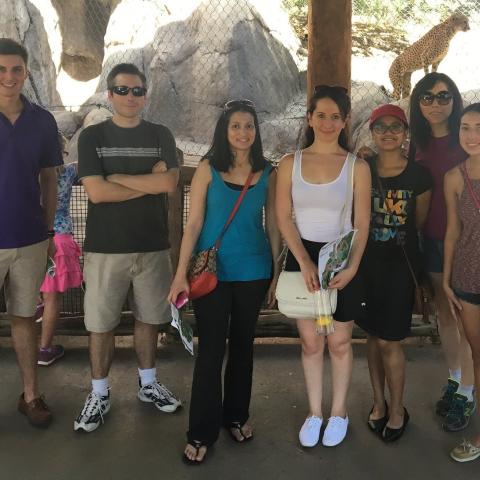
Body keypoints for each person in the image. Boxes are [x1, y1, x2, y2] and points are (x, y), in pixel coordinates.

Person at [168, 99, 281, 464]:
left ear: (256, 131)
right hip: (210, 273)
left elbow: (274, 225)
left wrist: (277, 273)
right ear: (224, 130)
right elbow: (195, 223)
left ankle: (236, 415)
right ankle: (201, 431)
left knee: (244, 346)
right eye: (236, 126)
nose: (243, 132)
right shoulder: (207, 169)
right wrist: (179, 274)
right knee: (211, 350)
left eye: (249, 126)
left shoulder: (267, 172)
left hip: (254, 270)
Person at [75, 63, 181, 433]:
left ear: (146, 95)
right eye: (122, 90)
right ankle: (100, 392)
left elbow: (169, 184)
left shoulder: (161, 134)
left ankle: (148, 383)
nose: (130, 97)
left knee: (149, 319)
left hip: (152, 246)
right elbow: (97, 193)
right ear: (109, 94)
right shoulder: (91, 137)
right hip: (105, 248)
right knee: (100, 323)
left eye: (137, 90)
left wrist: (118, 178)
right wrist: (145, 182)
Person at [276, 85, 371, 448]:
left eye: (335, 117)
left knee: (341, 342)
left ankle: (339, 411)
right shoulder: (290, 163)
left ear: (345, 121)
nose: (328, 122)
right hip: (302, 256)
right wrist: (302, 261)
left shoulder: (357, 167)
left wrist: (352, 267)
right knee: (311, 343)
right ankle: (314, 412)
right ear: (309, 118)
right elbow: (284, 217)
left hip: (341, 258)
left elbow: (362, 224)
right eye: (321, 115)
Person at [356, 104, 432, 442]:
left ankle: (398, 408)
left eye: (396, 127)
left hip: (400, 268)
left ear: (406, 134)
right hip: (366, 265)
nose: (388, 132)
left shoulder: (419, 176)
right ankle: (378, 402)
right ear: (372, 132)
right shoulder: (362, 168)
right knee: (372, 337)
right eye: (381, 126)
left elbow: (418, 222)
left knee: (390, 340)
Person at [0, 38, 62, 427]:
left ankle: (30, 395)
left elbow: (50, 179)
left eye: (16, 69)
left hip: (29, 237)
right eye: (1, 69)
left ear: (26, 72)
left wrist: (49, 228)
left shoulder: (43, 121)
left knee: (25, 317)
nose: (9, 77)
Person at [409, 73, 475, 432]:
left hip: (467, 244)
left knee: (467, 321)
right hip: (431, 239)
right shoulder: (416, 143)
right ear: (417, 103)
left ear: (455, 100)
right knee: (445, 317)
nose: (435, 103)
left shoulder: (467, 138)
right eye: (427, 97)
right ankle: (455, 378)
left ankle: (468, 389)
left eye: (444, 96)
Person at [444, 103, 480, 462]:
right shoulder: (454, 177)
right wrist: (447, 279)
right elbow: (453, 231)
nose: (472, 136)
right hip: (469, 276)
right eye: (466, 128)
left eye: (479, 127)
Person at [37, 134, 83, 366]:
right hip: (59, 240)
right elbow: (86, 166)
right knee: (53, 299)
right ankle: (45, 349)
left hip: (30, 240)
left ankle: (36, 302)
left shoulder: (27, 172)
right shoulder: (68, 172)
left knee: (33, 291)